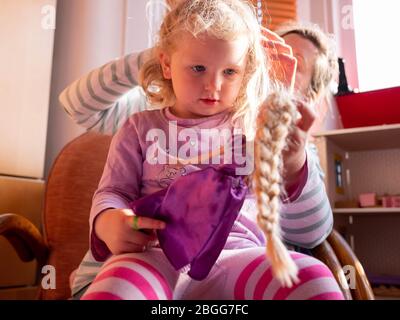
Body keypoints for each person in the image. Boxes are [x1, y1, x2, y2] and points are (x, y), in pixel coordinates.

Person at [65, 0, 343, 300]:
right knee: (115, 290)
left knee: (314, 280)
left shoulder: (258, 130)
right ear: (167, 64)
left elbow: (312, 231)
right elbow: (111, 188)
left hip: (239, 255)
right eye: (198, 67)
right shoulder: (140, 125)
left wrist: (292, 161)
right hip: (152, 253)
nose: (213, 85)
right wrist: (106, 221)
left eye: (230, 71)